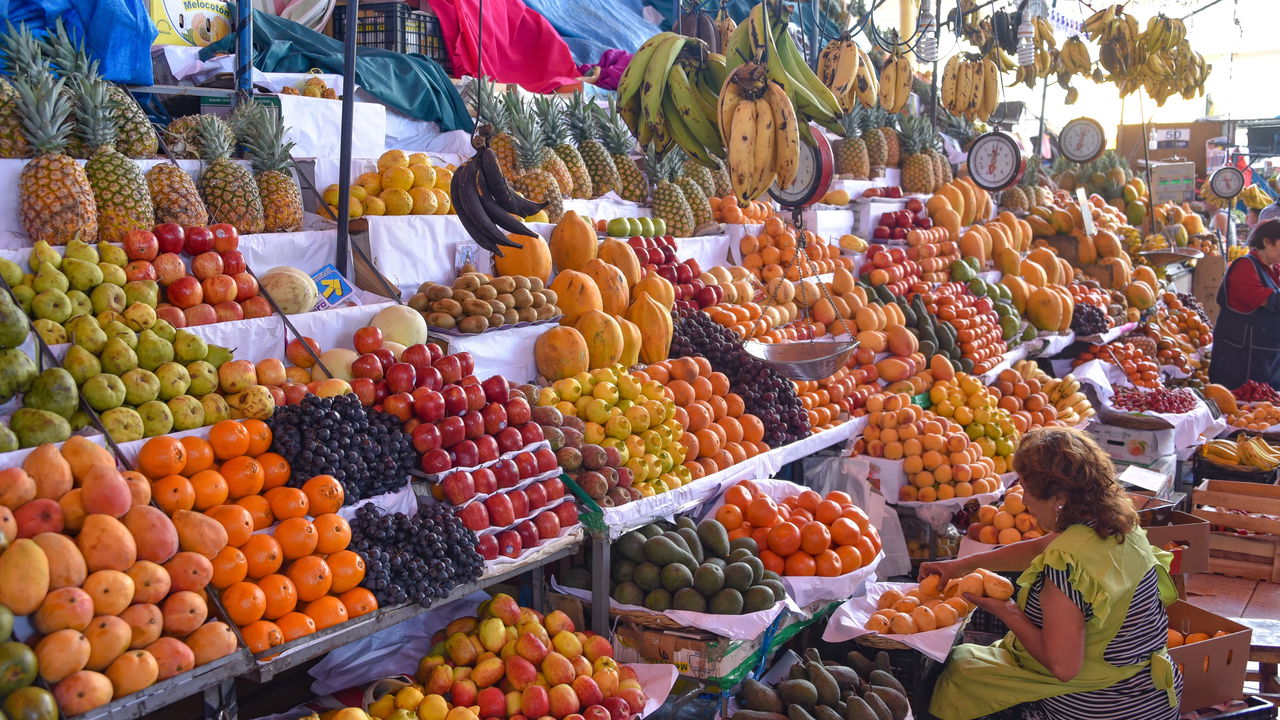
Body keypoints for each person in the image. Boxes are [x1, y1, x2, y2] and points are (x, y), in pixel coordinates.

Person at [922, 428, 1180, 720]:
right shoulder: (1120, 528)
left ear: (1059, 497)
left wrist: (1007, 611)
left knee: (957, 675)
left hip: (1100, 704)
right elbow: (1037, 549)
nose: (1024, 501)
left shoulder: (1065, 569)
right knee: (969, 662)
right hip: (1150, 696)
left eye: (1028, 490)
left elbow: (1063, 668)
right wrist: (959, 566)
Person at [1210, 218, 1280, 389]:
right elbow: (1264, 299)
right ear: (1267, 242)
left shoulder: (1273, 269)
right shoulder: (1245, 266)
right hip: (1241, 364)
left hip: (1266, 360)